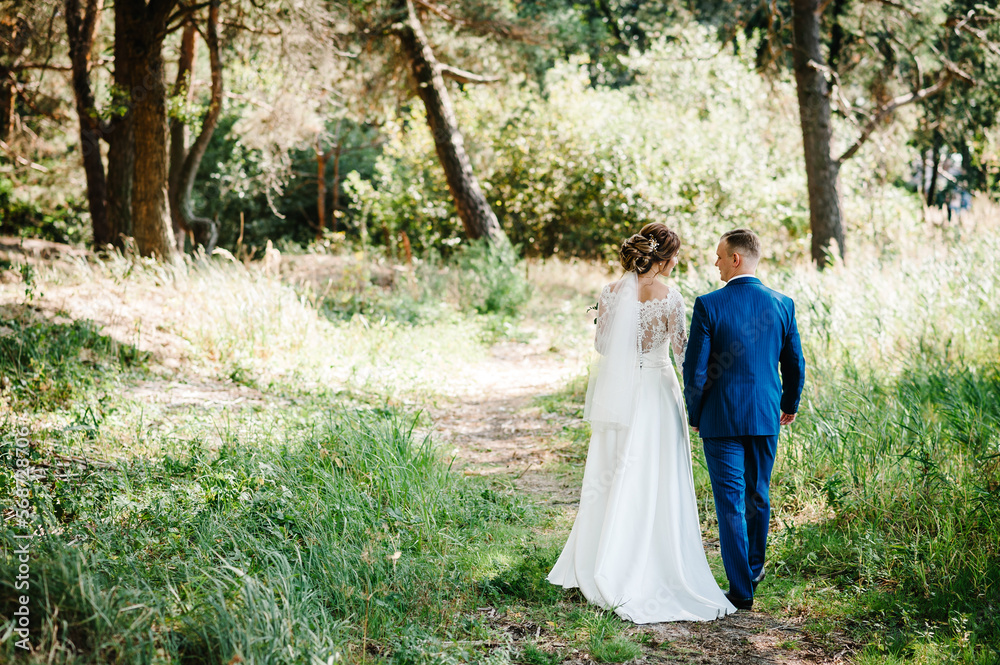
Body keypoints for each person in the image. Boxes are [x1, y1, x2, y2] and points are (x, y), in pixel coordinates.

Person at [547, 222, 736, 623]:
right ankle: (654, 563)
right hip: (657, 393)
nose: (676, 264)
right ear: (664, 258)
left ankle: (604, 560)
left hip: (619, 395)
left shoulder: (611, 293)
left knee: (613, 472)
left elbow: (601, 345)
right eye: (676, 257)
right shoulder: (670, 297)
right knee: (656, 475)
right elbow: (685, 355)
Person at [682, 228, 806, 611]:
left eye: (719, 256)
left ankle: (741, 591)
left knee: (731, 502)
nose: (716, 263)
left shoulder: (708, 304)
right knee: (758, 494)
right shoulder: (782, 303)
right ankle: (752, 570)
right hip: (766, 414)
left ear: (736, 258)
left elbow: (695, 369)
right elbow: (794, 362)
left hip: (720, 418)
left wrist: (696, 412)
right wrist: (789, 403)